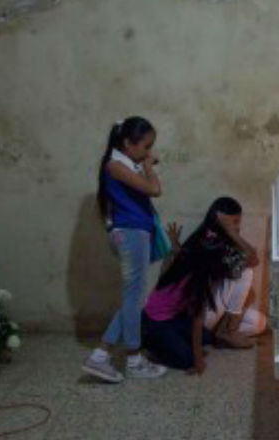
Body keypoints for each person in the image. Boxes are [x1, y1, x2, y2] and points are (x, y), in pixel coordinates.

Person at [81, 116, 168, 383]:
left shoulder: (123, 164)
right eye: (146, 146)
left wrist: (143, 164)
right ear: (128, 144)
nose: (149, 152)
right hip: (131, 234)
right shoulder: (116, 166)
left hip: (134, 233)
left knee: (133, 298)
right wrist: (149, 168)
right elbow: (154, 189)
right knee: (134, 297)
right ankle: (133, 359)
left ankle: (101, 356)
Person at [142, 197, 268, 372]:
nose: (237, 226)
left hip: (175, 317)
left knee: (208, 337)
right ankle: (153, 343)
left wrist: (231, 232)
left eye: (238, 221)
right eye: (234, 222)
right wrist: (198, 360)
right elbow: (197, 318)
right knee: (187, 360)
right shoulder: (202, 260)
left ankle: (219, 333)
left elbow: (251, 259)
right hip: (155, 322)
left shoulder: (211, 245)